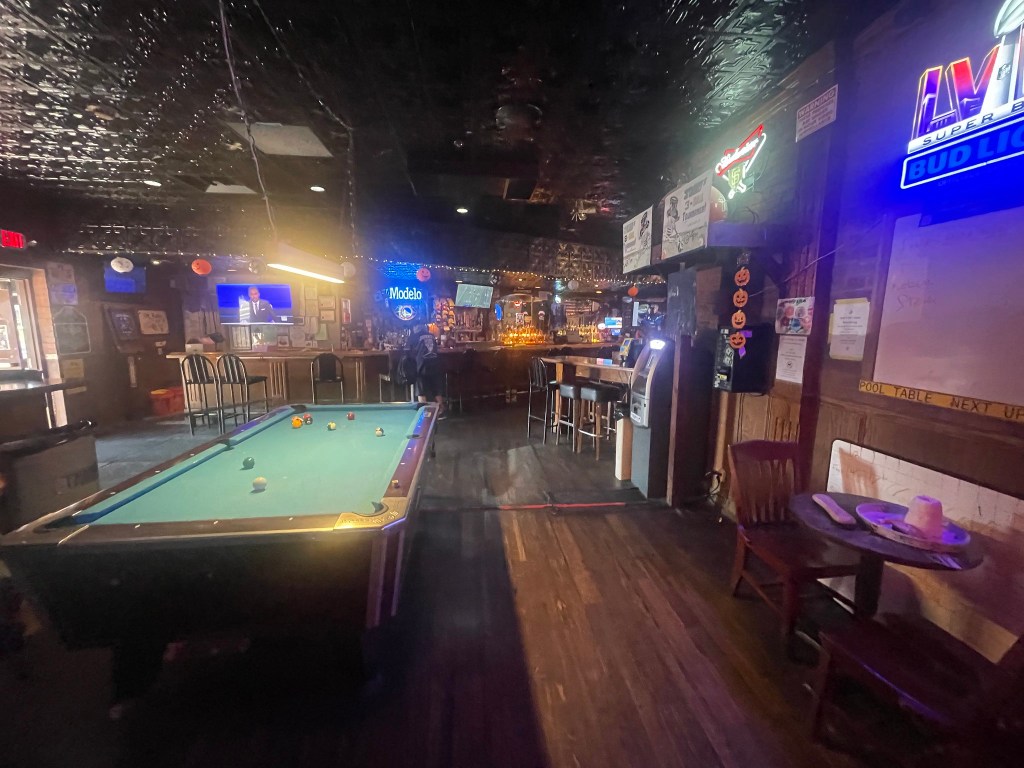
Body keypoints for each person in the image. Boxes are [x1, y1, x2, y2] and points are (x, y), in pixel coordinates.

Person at [410, 323, 445, 418]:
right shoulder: (431, 335)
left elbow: (409, 350)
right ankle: (441, 411)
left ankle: (425, 415)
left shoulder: (414, 336)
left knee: (421, 390)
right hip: (435, 364)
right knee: (436, 388)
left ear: (415, 327)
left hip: (422, 366)